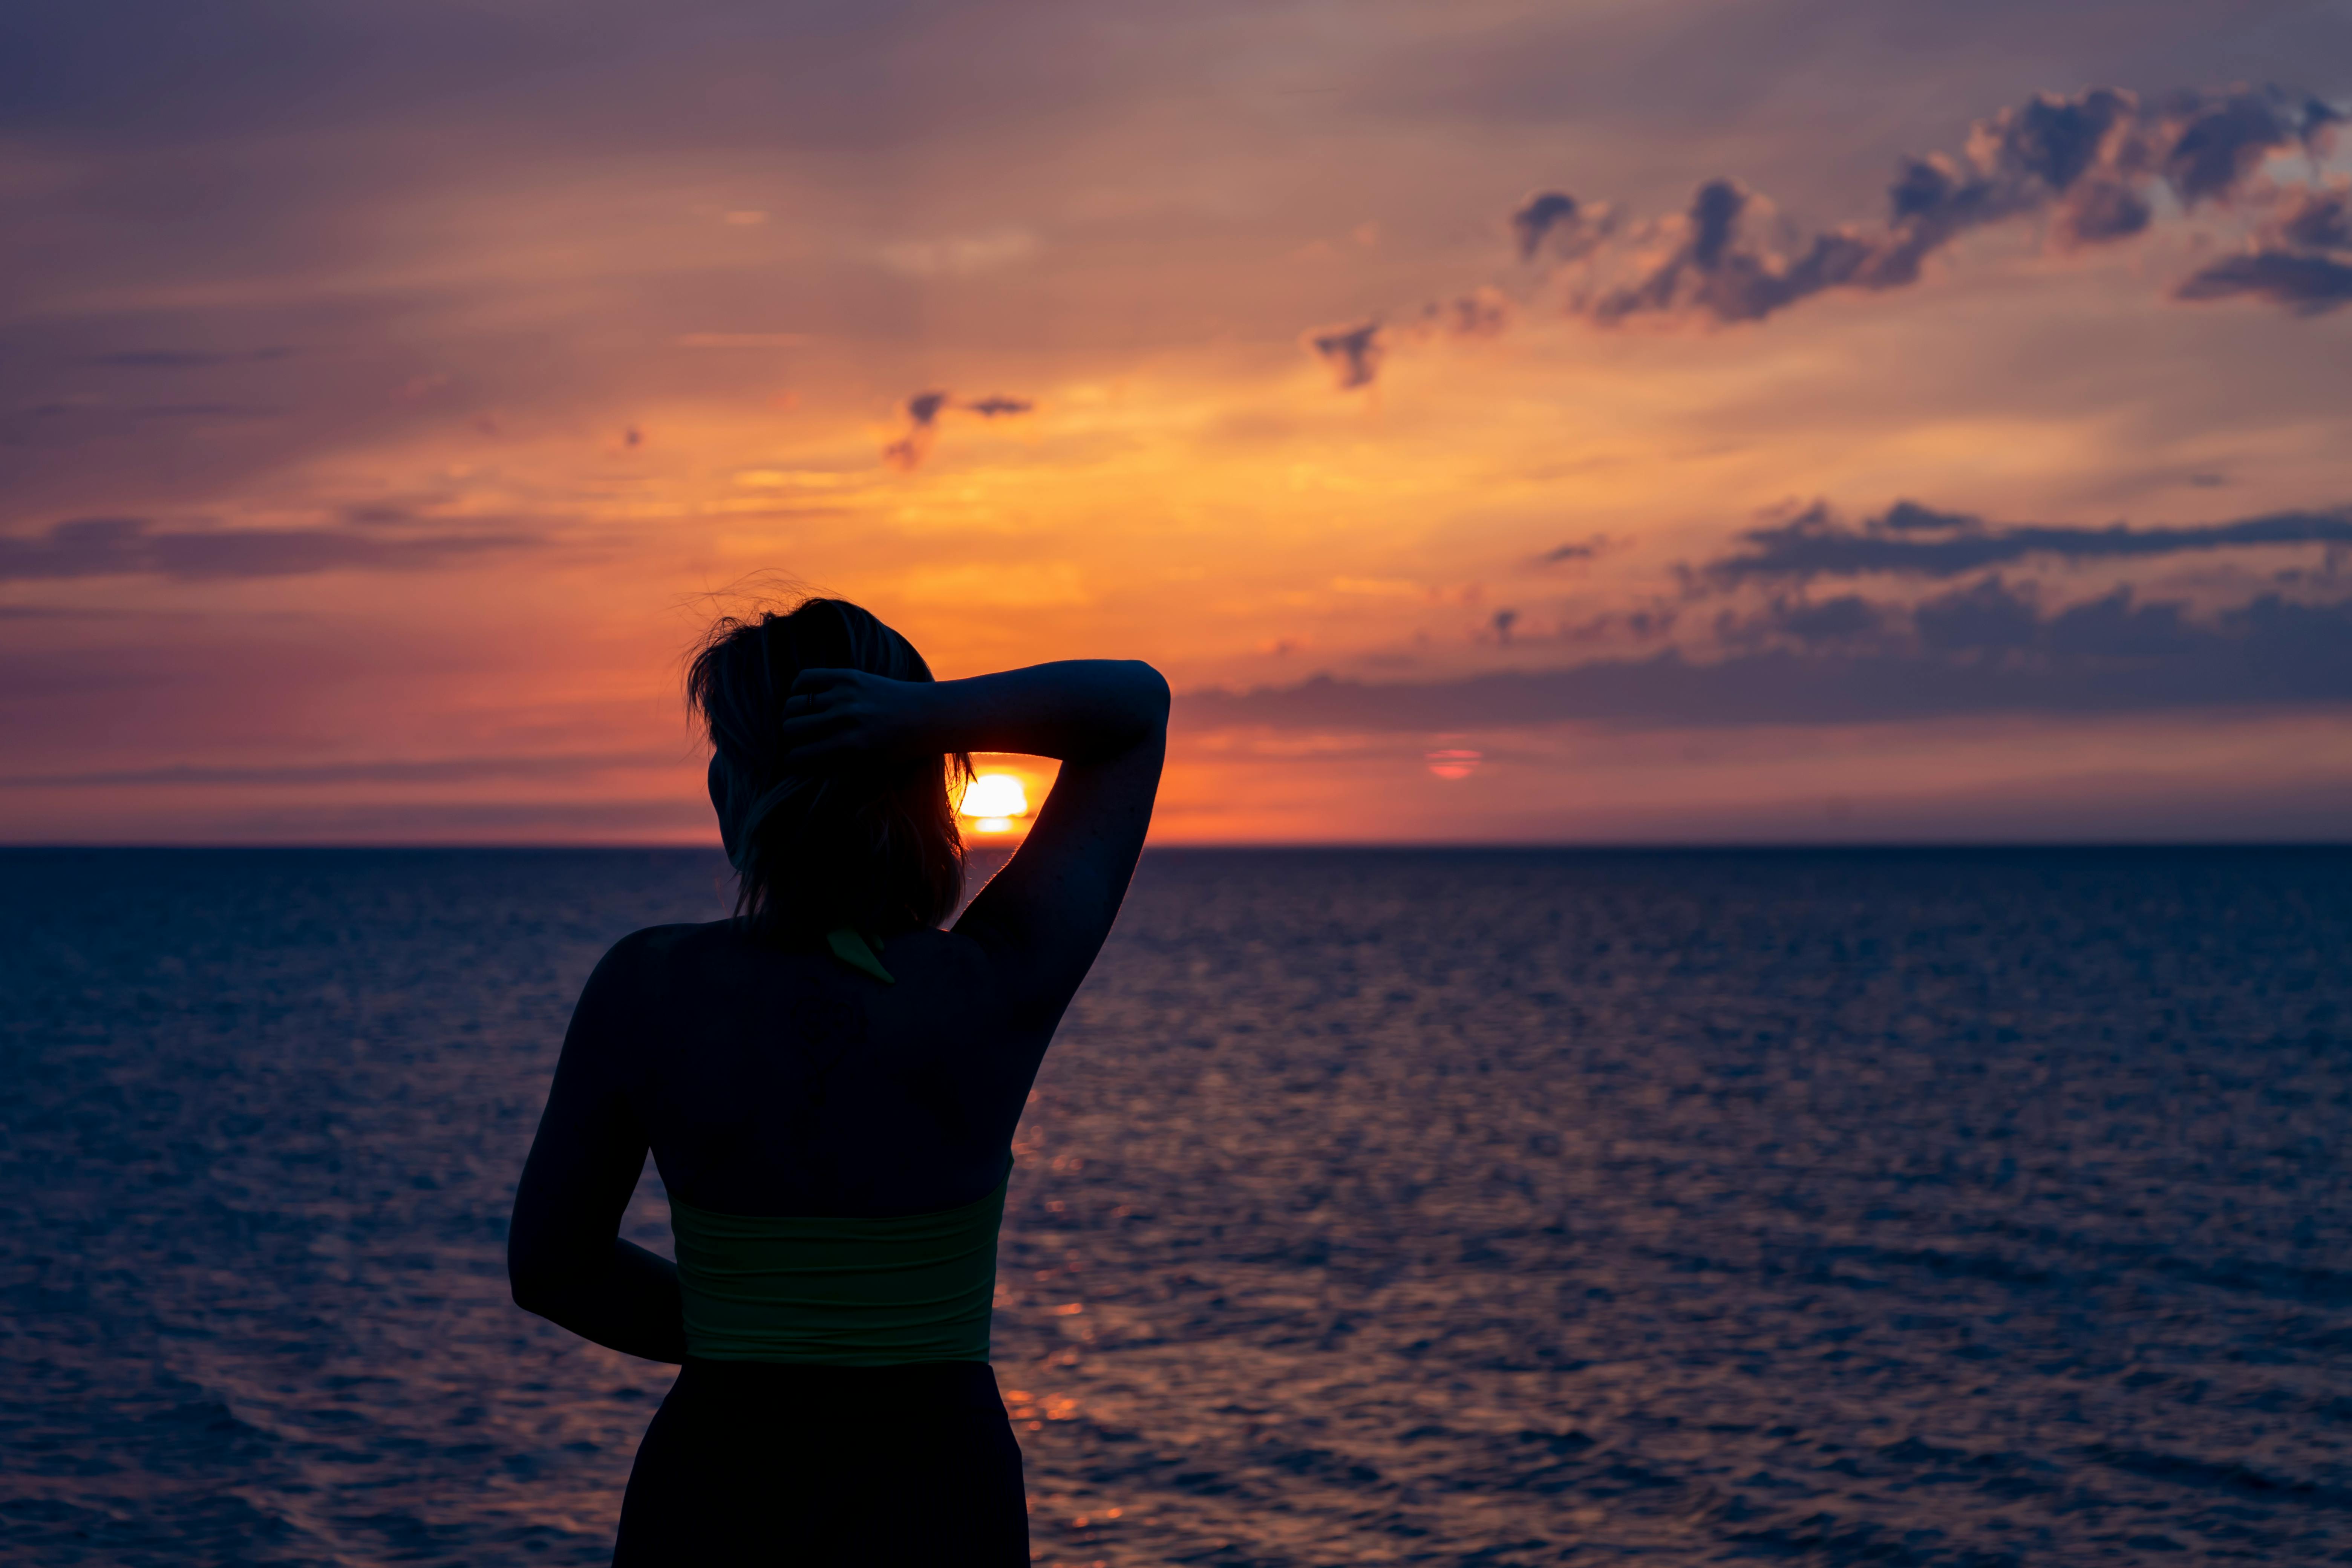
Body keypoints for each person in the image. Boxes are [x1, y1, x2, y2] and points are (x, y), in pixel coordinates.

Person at [507, 597, 1168, 1565]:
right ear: (923, 788)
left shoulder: (646, 988)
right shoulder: (995, 978)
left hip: (720, 1480)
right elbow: (1133, 709)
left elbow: (553, 1266)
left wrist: (762, 1326)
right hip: (934, 1484)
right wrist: (921, 718)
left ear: (747, 789)